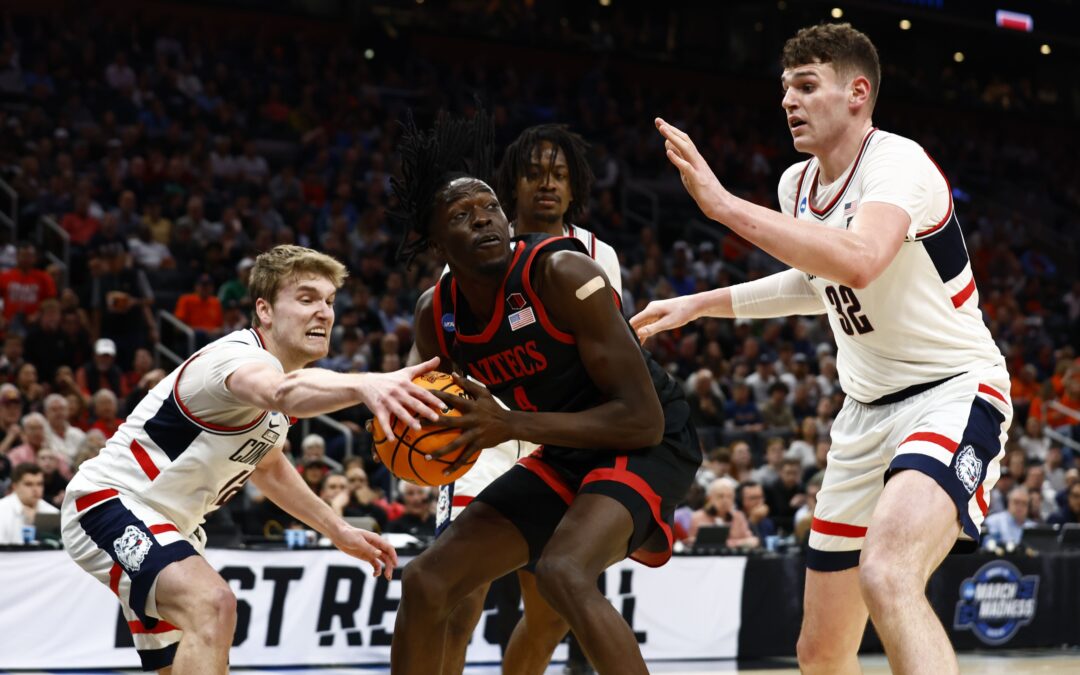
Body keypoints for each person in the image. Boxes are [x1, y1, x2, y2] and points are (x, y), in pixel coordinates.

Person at [630, 23, 1012, 675]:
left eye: (806, 86)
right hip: (862, 416)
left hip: (951, 393)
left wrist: (723, 206)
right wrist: (700, 303)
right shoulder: (795, 188)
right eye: (785, 88)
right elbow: (817, 281)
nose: (788, 101)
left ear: (857, 93)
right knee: (821, 649)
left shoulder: (898, 163)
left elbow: (860, 260)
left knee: (889, 574)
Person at [389, 111, 699, 675]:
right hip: (557, 446)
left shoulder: (562, 270)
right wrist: (397, 421)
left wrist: (514, 427)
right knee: (426, 579)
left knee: (562, 573)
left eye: (489, 209)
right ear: (437, 241)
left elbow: (642, 420)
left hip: (648, 439)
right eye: (463, 215)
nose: (484, 221)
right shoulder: (437, 314)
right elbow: (421, 389)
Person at [60, 244, 445, 673]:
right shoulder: (237, 358)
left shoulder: (275, 397)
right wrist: (365, 384)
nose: (323, 312)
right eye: (306, 299)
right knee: (214, 605)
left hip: (171, 526)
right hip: (110, 502)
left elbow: (268, 466)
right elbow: (283, 392)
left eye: (329, 301)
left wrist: (338, 530)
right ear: (264, 310)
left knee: (190, 654)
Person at [434, 122, 626, 675]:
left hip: (557, 441)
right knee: (459, 596)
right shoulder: (474, 246)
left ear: (574, 188)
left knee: (548, 615)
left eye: (559, 175)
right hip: (486, 439)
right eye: (534, 174)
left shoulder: (597, 254)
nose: (547, 184)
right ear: (510, 186)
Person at [0, 463, 59, 544]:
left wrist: (37, 523)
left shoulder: (53, 513)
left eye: (39, 484)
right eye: (29, 484)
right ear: (15, 487)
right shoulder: (2, 510)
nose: (35, 489)